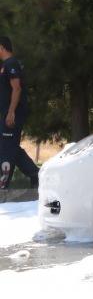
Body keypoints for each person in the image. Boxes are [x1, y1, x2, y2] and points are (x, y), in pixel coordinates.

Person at [0, 36, 39, 189]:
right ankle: (35, 174)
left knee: (7, 149)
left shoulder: (11, 64)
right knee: (11, 147)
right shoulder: (5, 65)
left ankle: (3, 185)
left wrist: (11, 112)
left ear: (2, 47)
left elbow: (17, 88)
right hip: (5, 112)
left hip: (13, 113)